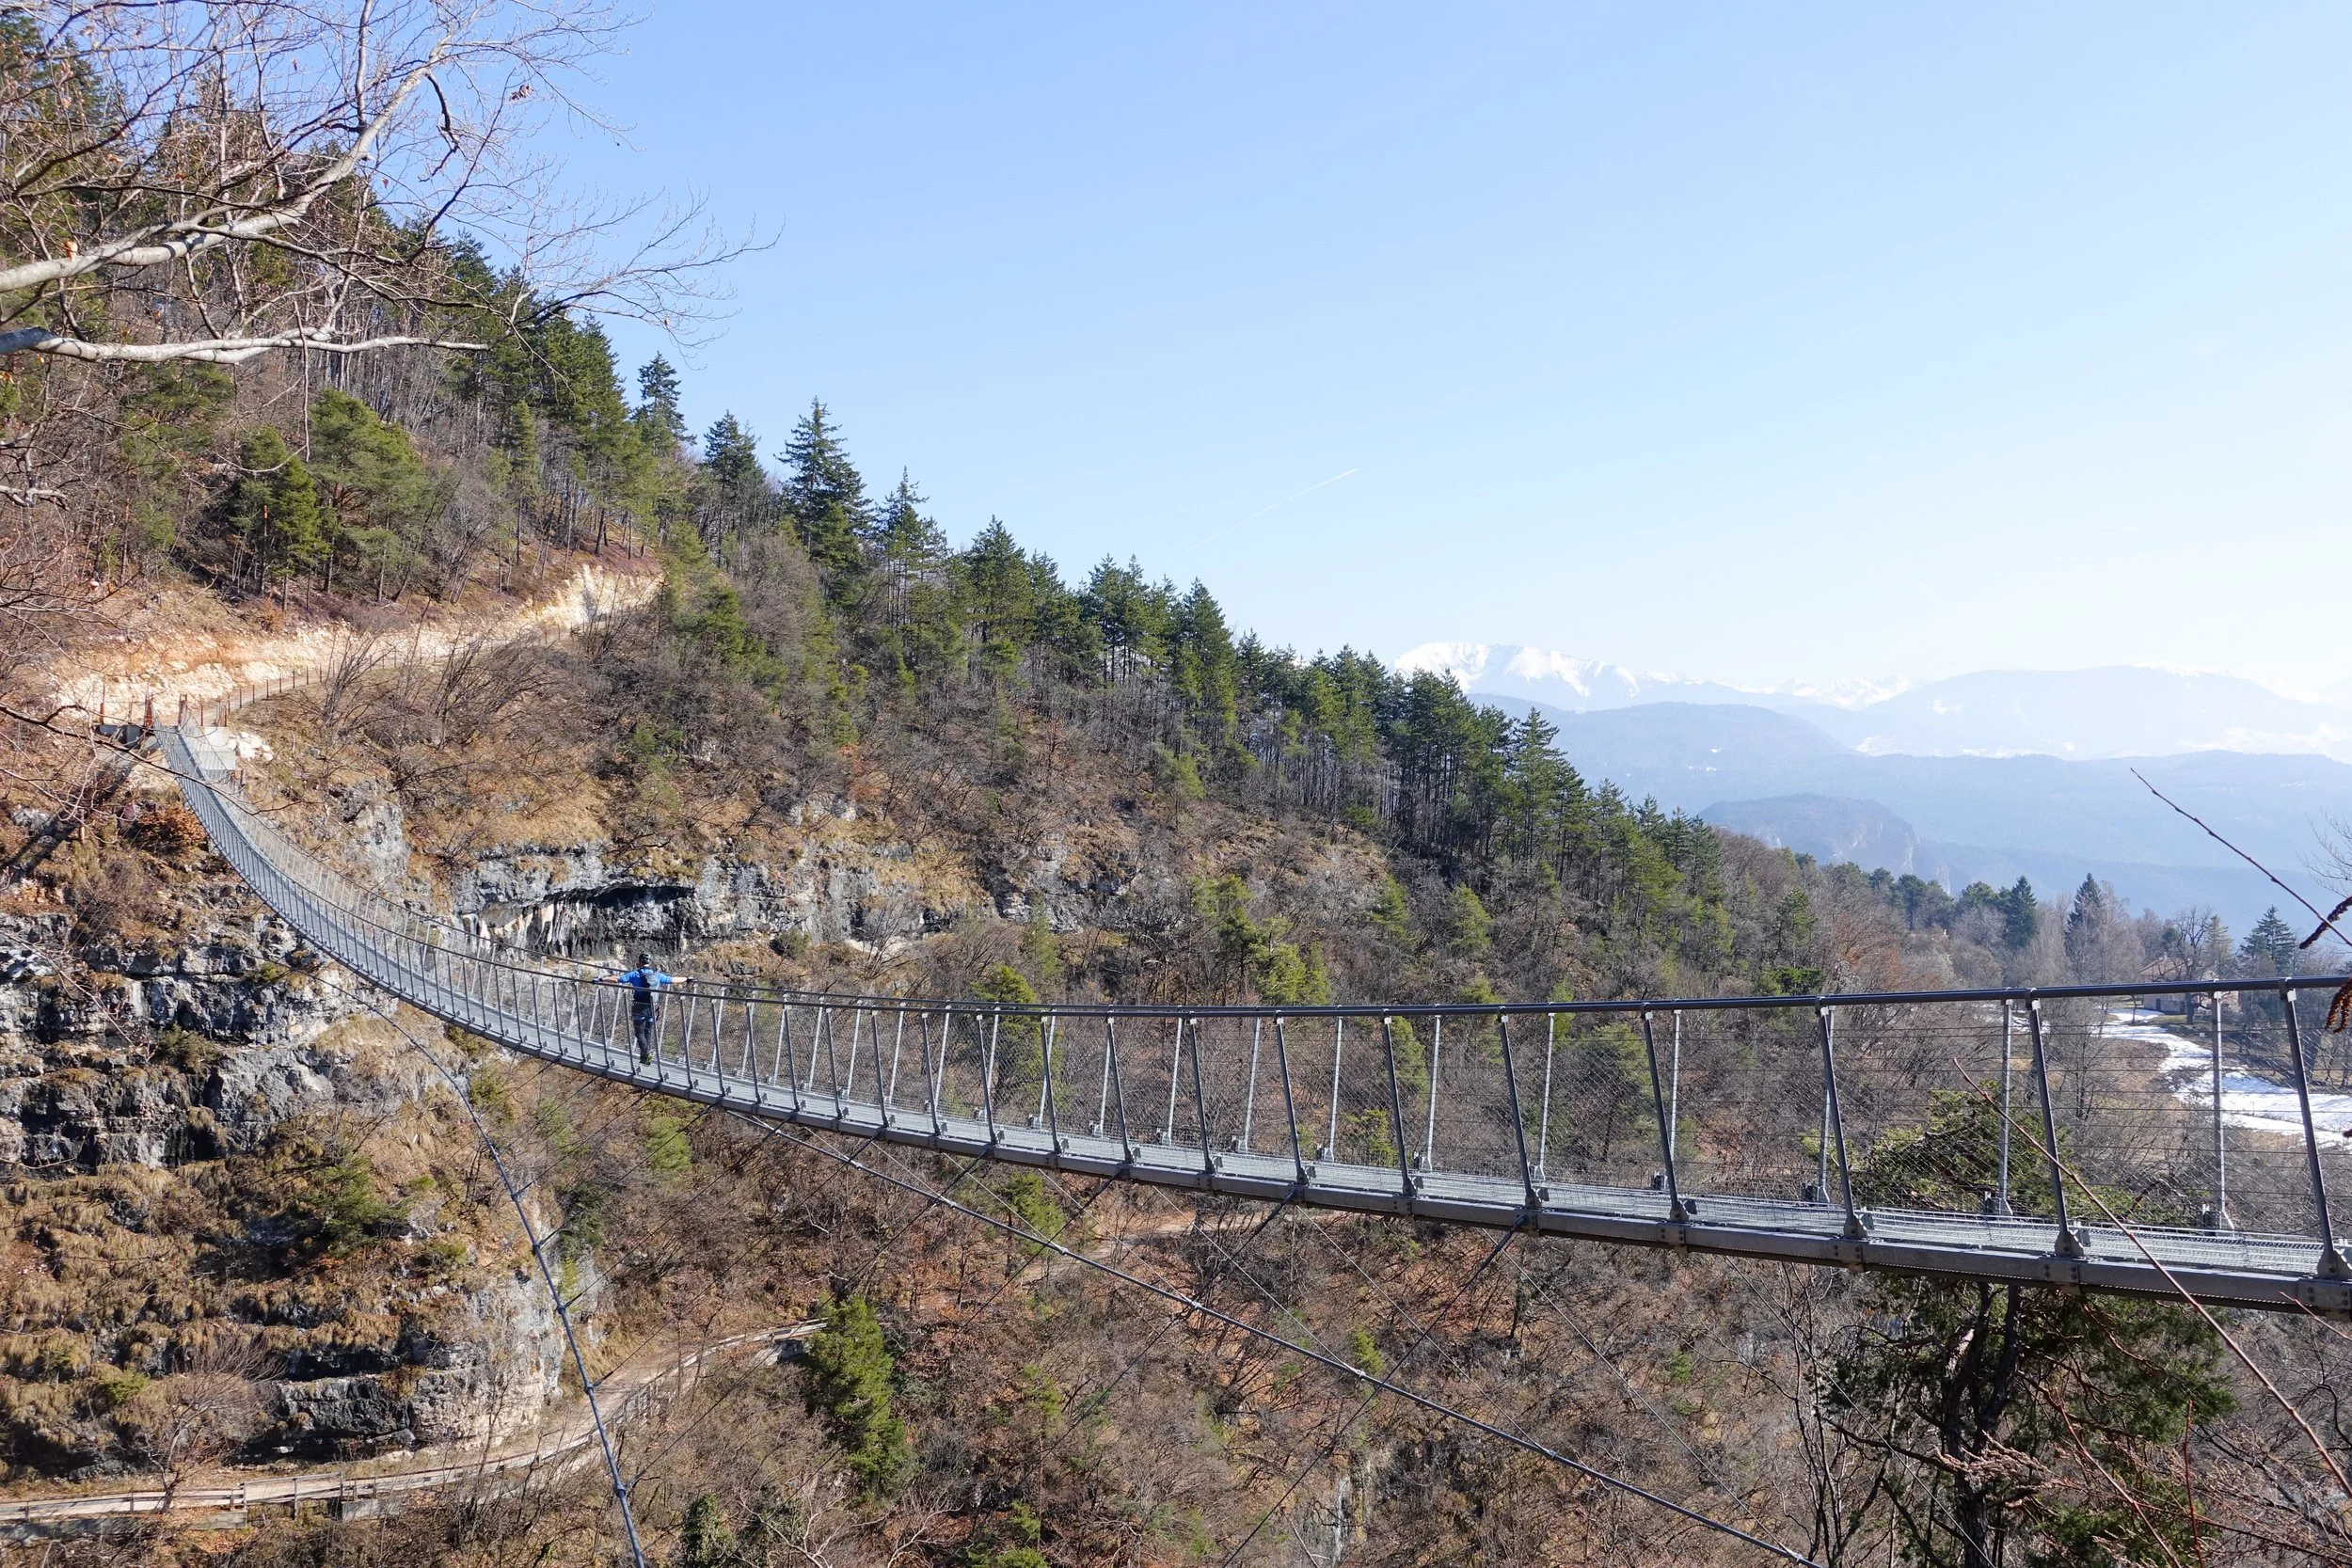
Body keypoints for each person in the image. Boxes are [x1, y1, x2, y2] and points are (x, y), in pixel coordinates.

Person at [617, 952, 682, 1064]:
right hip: (653, 1007)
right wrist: (687, 979)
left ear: (639, 962)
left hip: (639, 1007)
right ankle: (645, 1059)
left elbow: (619, 979)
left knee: (639, 1033)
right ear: (649, 962)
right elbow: (671, 980)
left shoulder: (635, 974)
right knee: (647, 1032)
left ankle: (647, 1052)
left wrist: (601, 980)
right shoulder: (657, 975)